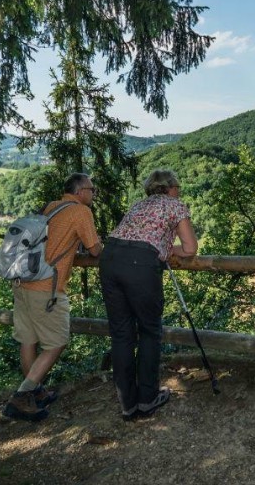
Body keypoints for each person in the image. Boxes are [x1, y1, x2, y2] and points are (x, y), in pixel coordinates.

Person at [99, 169, 198, 421]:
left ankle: (127, 404)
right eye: (178, 186)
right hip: (140, 265)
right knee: (149, 331)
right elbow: (189, 249)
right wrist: (165, 248)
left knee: (121, 334)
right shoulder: (175, 205)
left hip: (109, 258)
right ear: (171, 187)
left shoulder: (138, 205)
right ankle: (147, 399)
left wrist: (159, 246)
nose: (179, 191)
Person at [3, 173, 102, 421]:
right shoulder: (81, 212)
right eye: (92, 190)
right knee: (57, 342)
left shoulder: (52, 207)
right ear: (80, 191)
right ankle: (22, 395)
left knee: (28, 339)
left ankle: (34, 393)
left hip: (23, 282)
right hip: (47, 288)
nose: (93, 194)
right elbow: (94, 249)